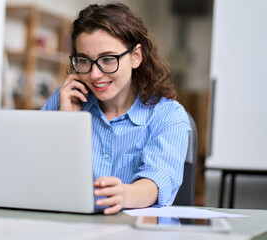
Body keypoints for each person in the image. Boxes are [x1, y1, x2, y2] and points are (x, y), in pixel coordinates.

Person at [42, 3, 191, 215]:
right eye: (84, 60)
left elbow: (157, 181)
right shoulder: (63, 101)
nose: (94, 74)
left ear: (136, 56)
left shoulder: (168, 116)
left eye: (108, 59)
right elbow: (39, 173)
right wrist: (68, 124)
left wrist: (125, 194)